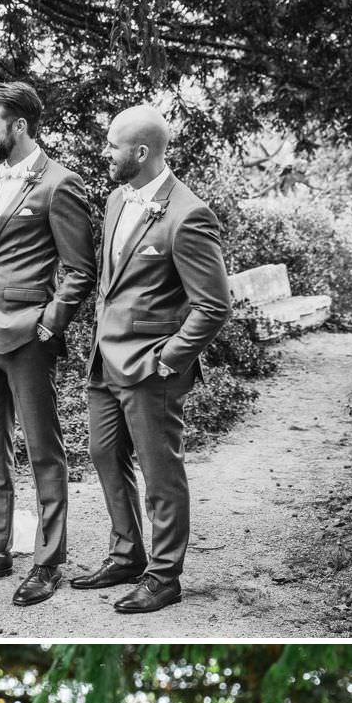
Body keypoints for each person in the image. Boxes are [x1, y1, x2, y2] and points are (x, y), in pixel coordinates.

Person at [75, 104, 232, 614]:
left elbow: (213, 305)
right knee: (103, 454)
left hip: (150, 367)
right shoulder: (117, 199)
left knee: (160, 471)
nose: (105, 152)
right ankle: (126, 553)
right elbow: (112, 283)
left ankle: (164, 576)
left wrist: (169, 359)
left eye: (112, 145)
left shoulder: (189, 214)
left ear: (140, 153)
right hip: (106, 359)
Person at [0, 82, 96, 607]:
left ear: (18, 127)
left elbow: (81, 269)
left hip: (27, 334)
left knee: (42, 448)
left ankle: (48, 558)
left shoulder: (60, 184)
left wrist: (50, 323)